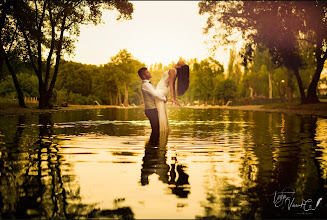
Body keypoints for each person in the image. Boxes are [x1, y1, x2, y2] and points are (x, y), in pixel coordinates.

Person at [155, 61, 190, 132]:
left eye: (183, 63)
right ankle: (163, 129)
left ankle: (160, 131)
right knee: (161, 111)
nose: (182, 61)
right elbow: (172, 86)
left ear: (180, 66)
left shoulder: (172, 70)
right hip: (163, 91)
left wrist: (172, 98)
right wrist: (172, 97)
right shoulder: (175, 71)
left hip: (160, 90)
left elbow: (171, 85)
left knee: (159, 112)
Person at [138, 67, 167, 142]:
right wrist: (164, 98)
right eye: (147, 72)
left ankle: (153, 148)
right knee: (156, 130)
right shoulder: (145, 85)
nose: (149, 73)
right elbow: (155, 94)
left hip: (152, 109)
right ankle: (152, 148)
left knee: (156, 129)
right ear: (144, 76)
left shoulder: (148, 84)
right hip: (151, 110)